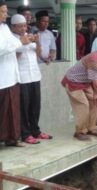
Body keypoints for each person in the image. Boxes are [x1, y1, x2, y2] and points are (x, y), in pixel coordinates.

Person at [61, 38, 97, 141]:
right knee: (83, 104)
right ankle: (80, 131)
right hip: (73, 82)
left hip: (85, 82)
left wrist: (96, 94)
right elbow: (95, 83)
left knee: (95, 100)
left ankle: (91, 127)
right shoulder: (95, 59)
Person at [11, 14, 52, 144]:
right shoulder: (12, 40)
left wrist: (37, 40)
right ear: (13, 27)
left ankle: (36, 131)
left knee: (35, 106)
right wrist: (24, 43)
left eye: (25, 26)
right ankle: (25, 134)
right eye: (20, 26)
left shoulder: (29, 36)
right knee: (24, 107)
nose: (23, 28)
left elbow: (39, 54)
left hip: (34, 75)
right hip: (22, 78)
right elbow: (14, 58)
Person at [0, 1, 31, 147]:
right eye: (3, 12)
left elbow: (14, 43)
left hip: (11, 76)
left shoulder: (5, 27)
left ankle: (12, 138)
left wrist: (25, 40)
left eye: (6, 12)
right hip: (1, 78)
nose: (6, 15)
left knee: (12, 111)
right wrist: (20, 43)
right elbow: (1, 49)